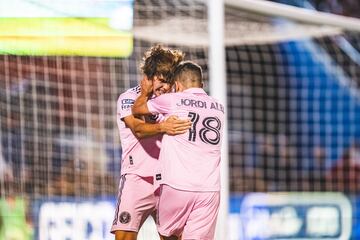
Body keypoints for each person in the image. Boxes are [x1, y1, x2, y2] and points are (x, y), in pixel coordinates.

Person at [132, 61, 225, 240]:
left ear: (176, 85)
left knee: (168, 236)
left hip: (177, 185)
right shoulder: (219, 107)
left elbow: (137, 109)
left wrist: (144, 92)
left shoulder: (172, 99)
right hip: (209, 189)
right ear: (202, 85)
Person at [111, 45, 191, 240]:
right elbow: (138, 129)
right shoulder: (128, 98)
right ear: (148, 76)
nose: (165, 87)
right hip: (136, 179)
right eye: (161, 81)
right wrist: (163, 127)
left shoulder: (173, 102)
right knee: (124, 237)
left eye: (169, 82)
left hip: (168, 181)